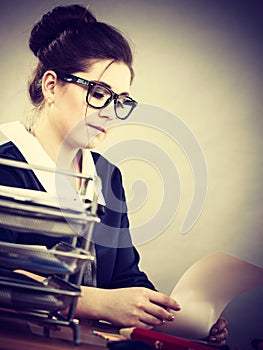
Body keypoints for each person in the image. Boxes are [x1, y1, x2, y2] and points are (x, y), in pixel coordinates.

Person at [0, 4, 228, 344]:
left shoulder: (108, 176)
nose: (110, 111)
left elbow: (125, 277)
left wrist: (172, 318)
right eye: (99, 94)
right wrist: (99, 303)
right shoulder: (8, 169)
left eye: (120, 100)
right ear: (51, 86)